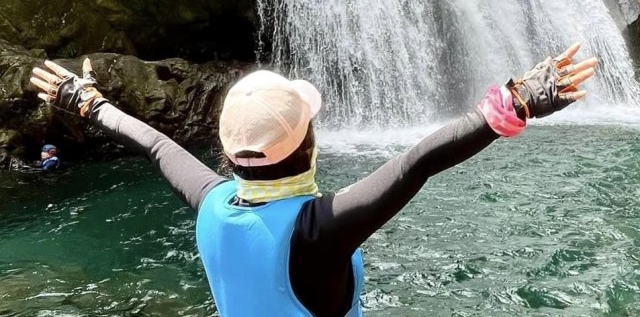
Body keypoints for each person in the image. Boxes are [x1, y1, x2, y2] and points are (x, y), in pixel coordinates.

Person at [29, 44, 597, 317]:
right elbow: (417, 162)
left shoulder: (212, 201)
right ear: (308, 143)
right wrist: (517, 101)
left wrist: (83, 100)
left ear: (228, 150)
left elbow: (154, 145)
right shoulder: (315, 233)